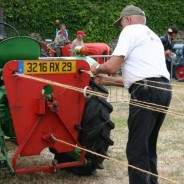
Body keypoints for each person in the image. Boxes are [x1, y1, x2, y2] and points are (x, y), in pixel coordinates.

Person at [91, 5, 172, 184]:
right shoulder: (153, 38)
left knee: (136, 148)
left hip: (146, 92)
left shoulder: (129, 31)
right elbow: (141, 78)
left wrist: (96, 68)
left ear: (128, 19)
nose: (121, 28)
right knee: (148, 145)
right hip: (164, 90)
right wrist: (106, 81)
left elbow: (112, 67)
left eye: (120, 24)